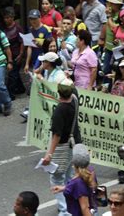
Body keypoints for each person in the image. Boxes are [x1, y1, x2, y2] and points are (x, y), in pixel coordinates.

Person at [42, 79, 82, 216]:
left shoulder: (60, 110)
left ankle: (65, 209)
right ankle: (73, 201)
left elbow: (56, 135)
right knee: (69, 174)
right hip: (74, 142)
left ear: (59, 92)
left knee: (57, 177)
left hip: (63, 146)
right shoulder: (75, 98)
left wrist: (49, 154)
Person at [52, 144, 98, 216]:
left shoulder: (78, 182)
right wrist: (64, 188)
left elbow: (85, 208)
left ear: (73, 163)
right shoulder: (90, 171)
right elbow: (82, 189)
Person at [2, 7, 26, 98]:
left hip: (16, 54)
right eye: (5, 18)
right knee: (14, 73)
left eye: (9, 17)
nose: (7, 19)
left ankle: (10, 94)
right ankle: (20, 88)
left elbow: (22, 42)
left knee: (12, 74)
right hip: (7, 54)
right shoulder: (3, 28)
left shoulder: (18, 28)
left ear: (13, 17)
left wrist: (21, 54)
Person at [100, 0, 124, 76]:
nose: (110, 5)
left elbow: (114, 29)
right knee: (105, 69)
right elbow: (106, 27)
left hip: (117, 47)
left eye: (112, 4)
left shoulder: (120, 16)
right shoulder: (111, 15)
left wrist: (108, 16)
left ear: (117, 5)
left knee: (115, 68)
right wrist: (104, 41)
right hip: (108, 47)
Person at [24, 9, 52, 74]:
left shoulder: (46, 29)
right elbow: (29, 47)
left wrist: (39, 44)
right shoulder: (30, 30)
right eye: (31, 19)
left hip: (45, 60)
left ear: (40, 18)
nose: (33, 21)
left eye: (35, 19)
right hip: (34, 59)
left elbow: (50, 47)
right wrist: (27, 64)